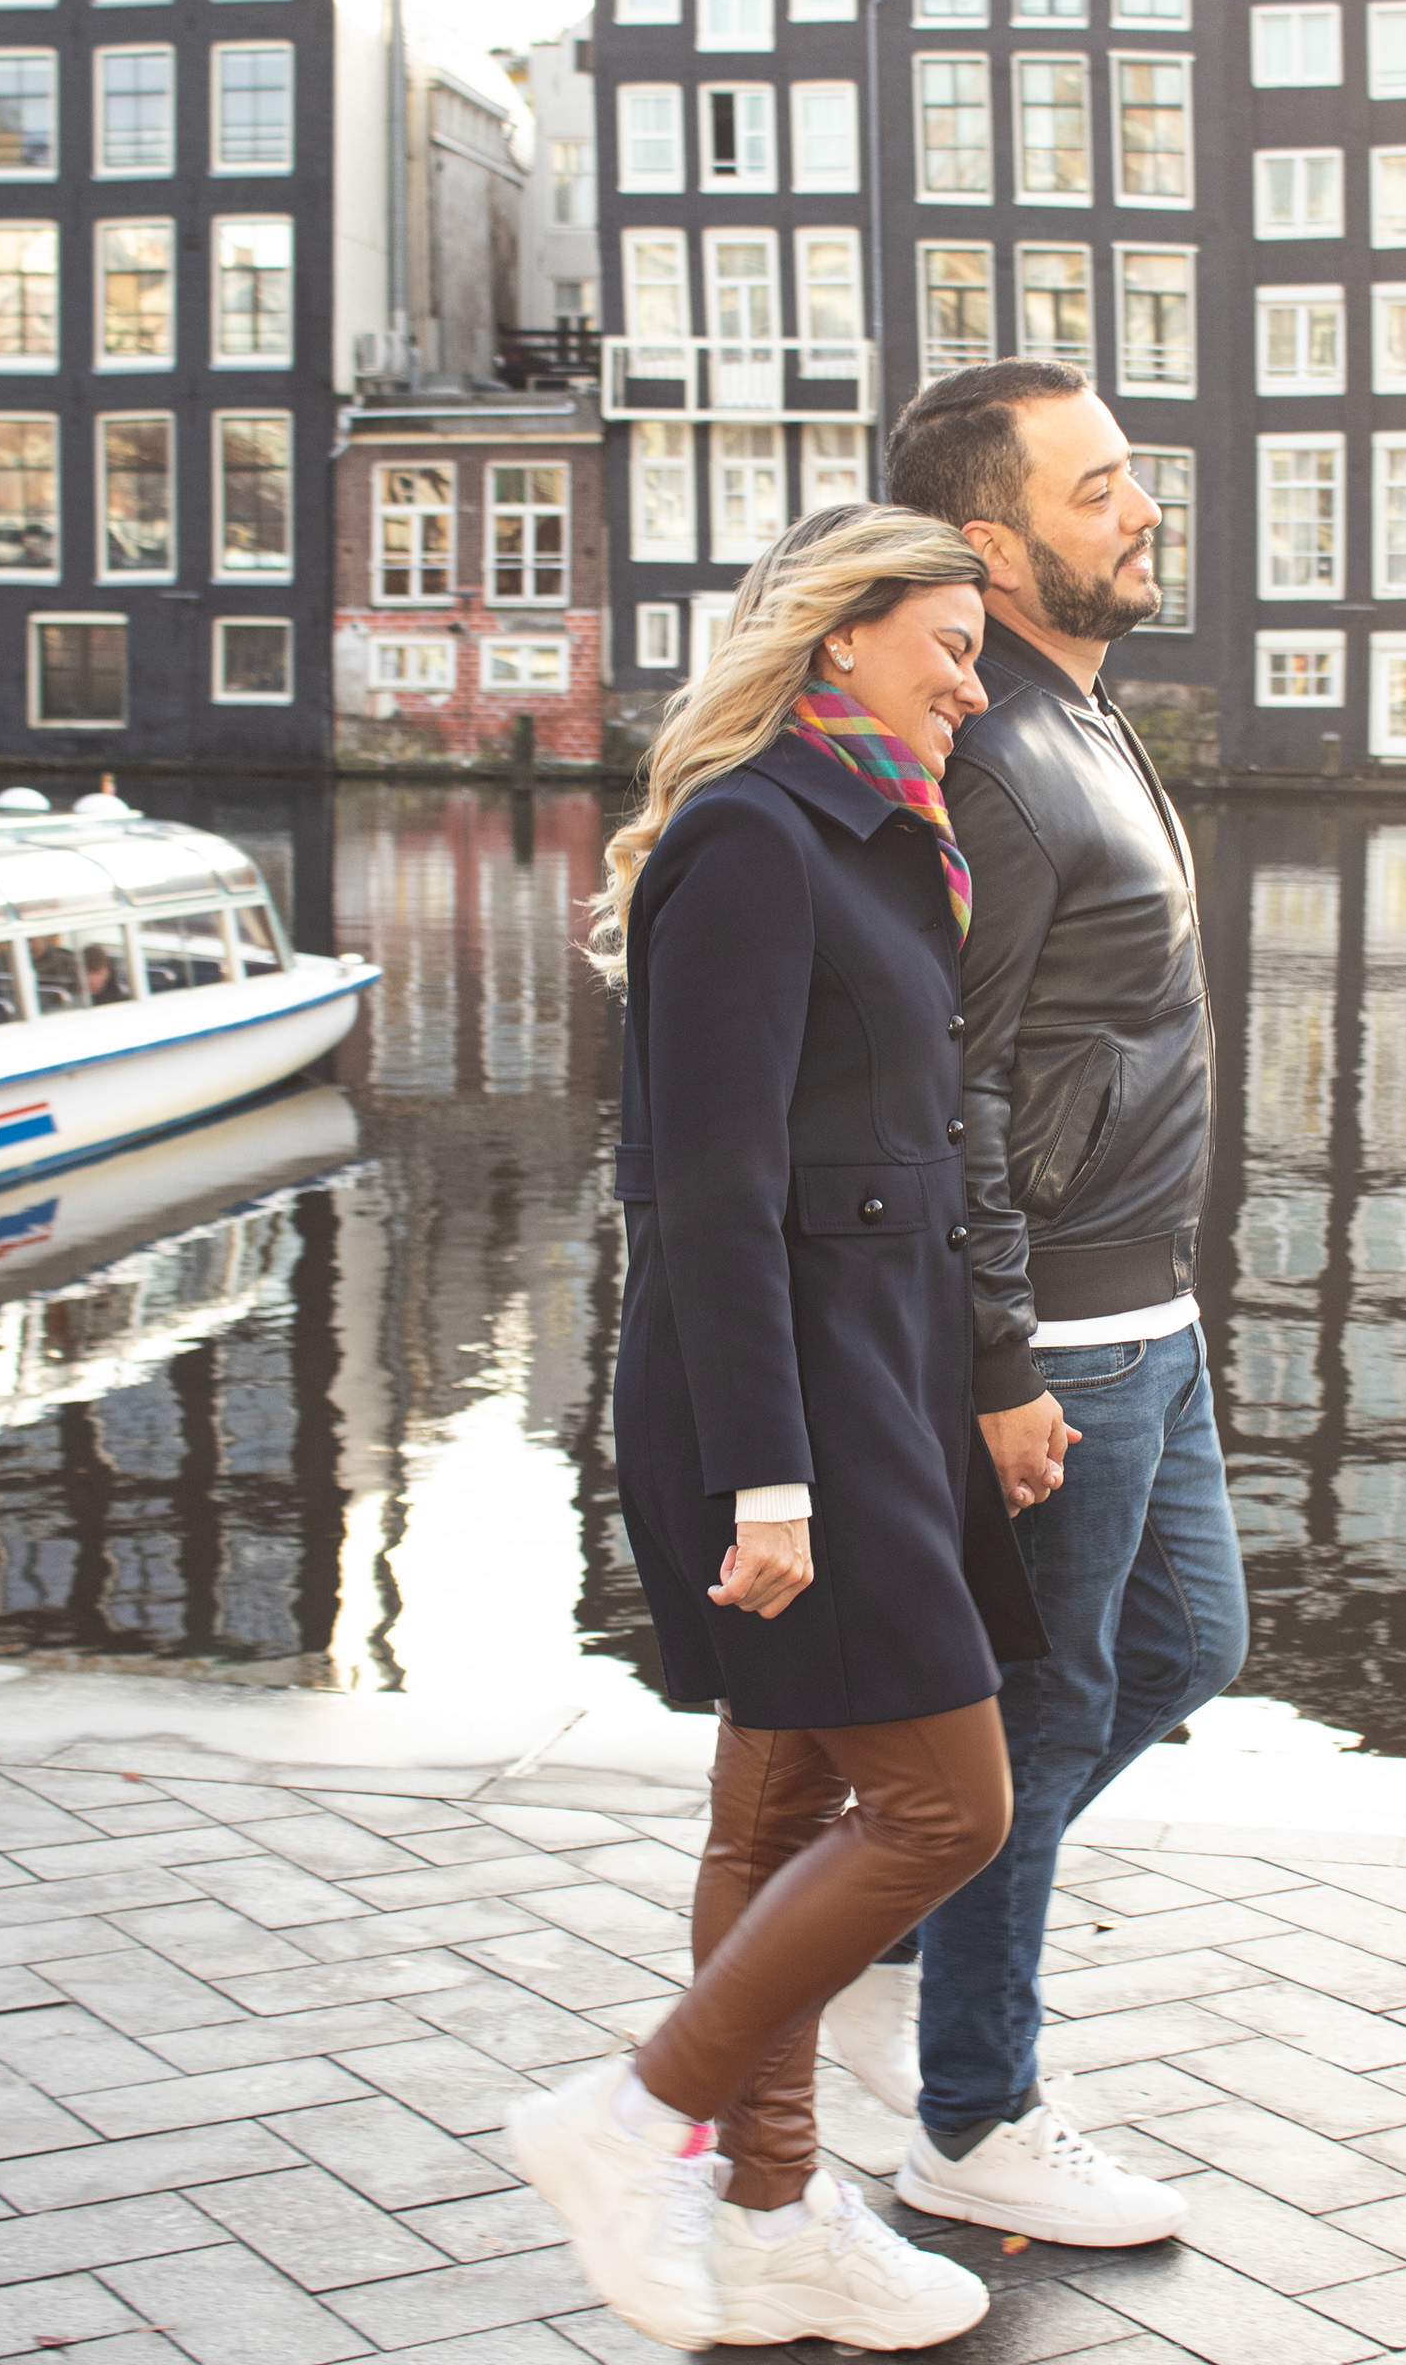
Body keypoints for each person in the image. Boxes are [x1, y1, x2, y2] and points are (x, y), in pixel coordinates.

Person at [508, 507, 1045, 2353]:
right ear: (837, 639)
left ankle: (772, 2217)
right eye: (949, 646)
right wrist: (769, 1479)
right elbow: (711, 1191)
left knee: (790, 1793)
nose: (972, 684)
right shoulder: (752, 835)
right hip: (794, 1398)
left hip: (881, 1374)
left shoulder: (888, 832)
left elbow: (909, 1138)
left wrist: (980, 1375)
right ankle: (636, 2114)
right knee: (948, 1803)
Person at [834, 359, 1248, 2247]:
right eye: (1098, 489)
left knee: (1186, 1646)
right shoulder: (993, 755)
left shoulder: (1078, 712)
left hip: (1149, 1304)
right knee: (1044, 1709)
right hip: (1067, 1332)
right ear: (988, 546)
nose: (1142, 507)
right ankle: (974, 2112)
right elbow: (955, 1088)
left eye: (1131, 475)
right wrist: (1000, 1357)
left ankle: (884, 1933)